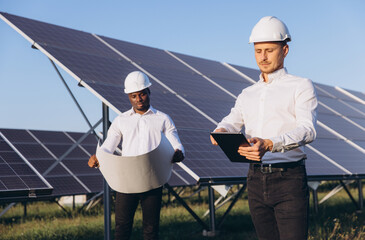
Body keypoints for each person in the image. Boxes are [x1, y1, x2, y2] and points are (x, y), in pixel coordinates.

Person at [210, 16, 317, 240]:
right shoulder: (248, 93)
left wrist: (270, 143)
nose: (263, 57)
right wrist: (221, 131)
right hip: (255, 180)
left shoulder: (300, 85)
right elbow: (232, 119)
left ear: (285, 50)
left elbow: (308, 129)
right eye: (258, 51)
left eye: (269, 50)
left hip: (289, 179)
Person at [88, 70, 185, 240]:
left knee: (150, 229)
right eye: (134, 96)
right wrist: (98, 157)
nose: (138, 99)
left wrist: (179, 153)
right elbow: (108, 146)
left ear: (149, 92)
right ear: (129, 97)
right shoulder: (121, 120)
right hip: (126, 181)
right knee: (122, 228)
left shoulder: (163, 119)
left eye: (142, 94)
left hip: (152, 179)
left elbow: (175, 143)